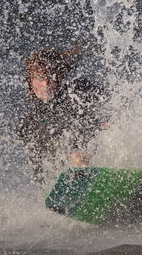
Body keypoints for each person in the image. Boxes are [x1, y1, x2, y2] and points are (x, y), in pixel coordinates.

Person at [16, 46, 105, 182]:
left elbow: (113, 102)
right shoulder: (28, 124)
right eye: (40, 78)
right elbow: (38, 171)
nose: (46, 83)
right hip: (62, 170)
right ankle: (83, 178)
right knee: (74, 154)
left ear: (58, 76)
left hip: (94, 145)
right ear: (30, 82)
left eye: (51, 76)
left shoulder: (77, 90)